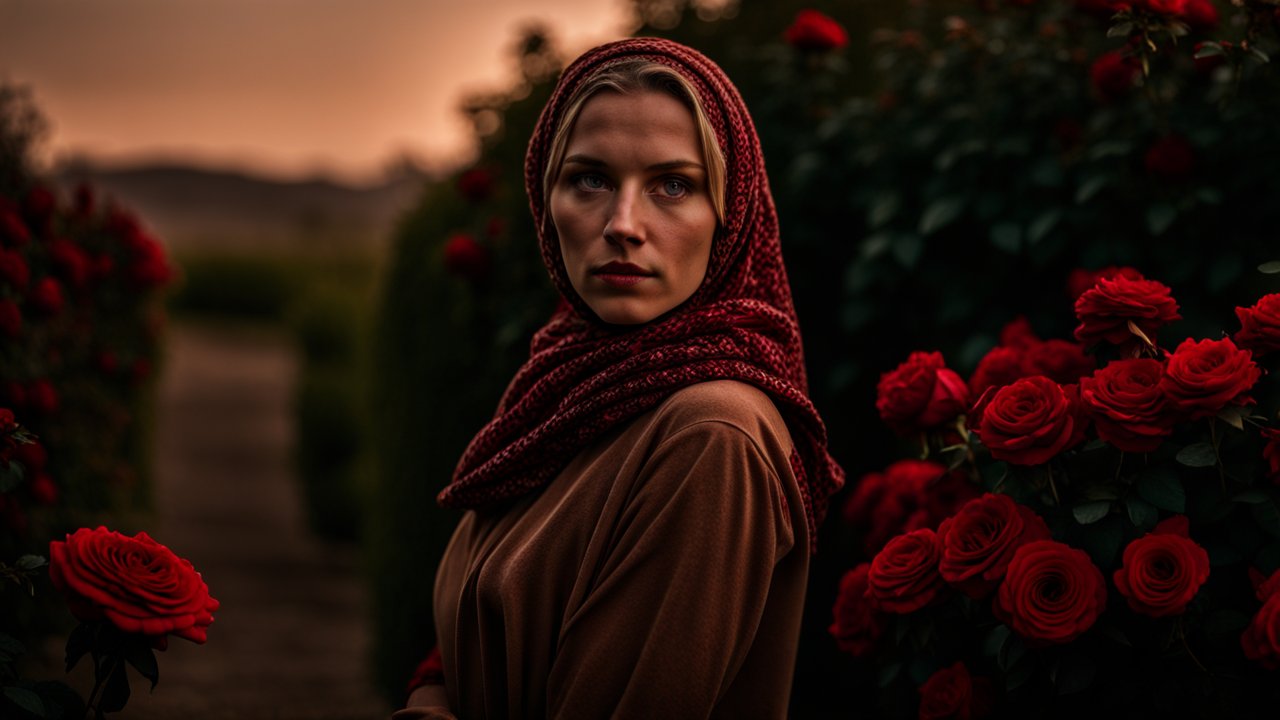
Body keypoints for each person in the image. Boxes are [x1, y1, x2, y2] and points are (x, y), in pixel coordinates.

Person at [394, 37, 844, 719]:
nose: (623, 225)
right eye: (590, 180)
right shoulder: (572, 383)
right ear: (547, 202)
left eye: (673, 185)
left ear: (731, 214)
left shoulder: (712, 436)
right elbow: (464, 647)